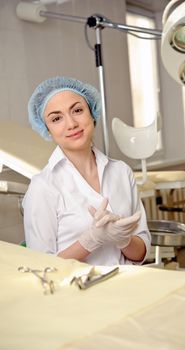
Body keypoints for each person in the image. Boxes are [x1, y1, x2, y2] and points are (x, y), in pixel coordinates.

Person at [23, 76, 151, 266]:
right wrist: (90, 240)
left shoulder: (122, 172)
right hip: (77, 293)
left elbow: (141, 253)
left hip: (127, 288)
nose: (71, 124)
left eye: (77, 110)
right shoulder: (43, 187)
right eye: (56, 118)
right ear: (47, 129)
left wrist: (123, 240)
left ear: (92, 113)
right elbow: (42, 267)